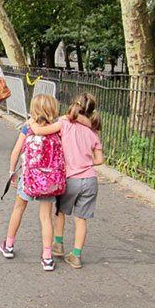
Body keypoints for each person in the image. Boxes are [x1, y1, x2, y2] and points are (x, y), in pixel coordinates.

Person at [28, 93, 103, 269]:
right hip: (90, 180)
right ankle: (76, 255)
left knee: (59, 211)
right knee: (81, 218)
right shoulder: (93, 132)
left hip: (71, 178)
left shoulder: (64, 124)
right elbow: (99, 160)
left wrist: (31, 122)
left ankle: (58, 244)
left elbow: (39, 131)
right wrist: (85, 161)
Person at [0, 95, 63, 271]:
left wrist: (12, 173)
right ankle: (47, 256)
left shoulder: (28, 128)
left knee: (19, 208)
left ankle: (9, 245)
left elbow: (16, 151)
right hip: (49, 180)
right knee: (45, 217)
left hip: (29, 177)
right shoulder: (57, 128)